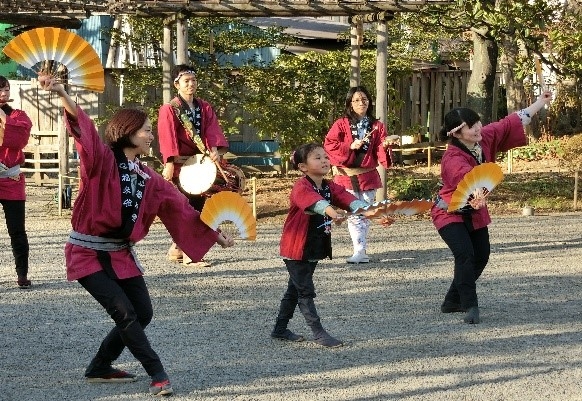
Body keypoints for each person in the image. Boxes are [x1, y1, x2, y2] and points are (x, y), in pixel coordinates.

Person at [38, 74, 234, 396]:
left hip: (120, 254)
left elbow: (179, 208)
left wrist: (213, 235)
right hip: (87, 253)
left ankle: (100, 365)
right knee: (125, 313)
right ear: (128, 132)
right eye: (146, 130)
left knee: (143, 312)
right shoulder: (101, 160)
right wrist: (62, 93)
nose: (150, 136)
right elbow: (83, 130)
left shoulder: (148, 176)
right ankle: (158, 374)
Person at [432, 91, 553, 324]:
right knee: (465, 255)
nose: (478, 128)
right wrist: (477, 192)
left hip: (475, 209)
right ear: (457, 133)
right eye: (471, 126)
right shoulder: (452, 158)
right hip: (449, 212)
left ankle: (451, 301)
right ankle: (470, 306)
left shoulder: (483, 138)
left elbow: (511, 122)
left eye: (477, 123)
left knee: (482, 255)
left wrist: (540, 102)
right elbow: (464, 178)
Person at [274, 143, 381, 347]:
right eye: (317, 158)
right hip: (296, 247)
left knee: (295, 290)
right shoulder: (301, 186)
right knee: (305, 291)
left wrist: (374, 214)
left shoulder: (329, 185)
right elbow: (316, 203)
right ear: (303, 167)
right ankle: (318, 333)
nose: (324, 160)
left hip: (312, 246)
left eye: (325, 157)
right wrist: (334, 213)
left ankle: (280, 329)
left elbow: (348, 199)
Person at [157, 64, 229, 267]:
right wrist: (169, 162)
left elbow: (212, 131)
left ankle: (178, 248)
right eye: (186, 81)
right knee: (186, 208)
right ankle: (191, 253)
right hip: (181, 166)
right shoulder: (169, 109)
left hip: (200, 165)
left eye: (194, 80)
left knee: (198, 207)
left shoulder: (204, 107)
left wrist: (214, 149)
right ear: (176, 84)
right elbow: (167, 137)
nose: (191, 84)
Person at [324, 86, 395, 264]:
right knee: (354, 213)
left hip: (367, 175)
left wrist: (385, 145)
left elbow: (379, 149)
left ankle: (360, 250)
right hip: (346, 176)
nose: (361, 103)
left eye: (364, 99)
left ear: (369, 101)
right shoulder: (341, 123)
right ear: (349, 103)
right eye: (356, 100)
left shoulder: (377, 126)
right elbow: (329, 144)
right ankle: (359, 250)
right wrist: (349, 147)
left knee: (364, 213)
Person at [0, 75, 33, 288]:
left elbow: (18, 140)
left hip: (11, 178)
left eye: (6, 89)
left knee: (17, 231)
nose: (4, 93)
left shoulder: (19, 115)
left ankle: (22, 274)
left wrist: (2, 115)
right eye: (0, 90)